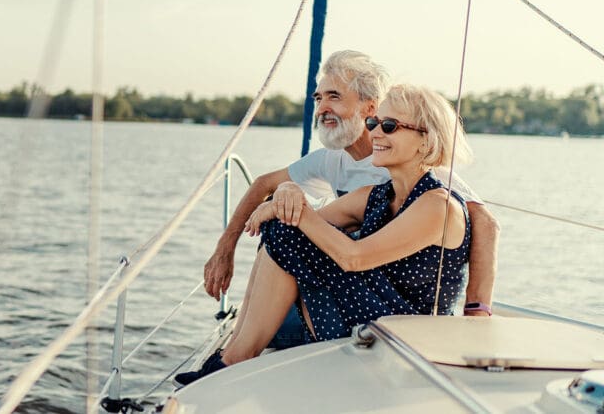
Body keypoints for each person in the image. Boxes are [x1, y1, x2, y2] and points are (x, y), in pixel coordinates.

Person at [177, 82, 473, 384]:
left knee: (289, 230)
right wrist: (287, 195)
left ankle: (235, 359)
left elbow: (354, 258)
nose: (375, 134)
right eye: (373, 123)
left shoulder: (438, 206)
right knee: (284, 231)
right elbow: (300, 226)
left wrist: (295, 208)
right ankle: (235, 353)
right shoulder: (377, 196)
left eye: (389, 125)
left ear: (426, 141)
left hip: (411, 336)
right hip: (375, 316)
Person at [202, 52, 498, 351]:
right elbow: (266, 185)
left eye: (334, 96)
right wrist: (226, 247)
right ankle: (234, 352)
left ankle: (237, 352)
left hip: (390, 303)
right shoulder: (337, 162)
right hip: (356, 288)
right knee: (280, 233)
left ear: (368, 105)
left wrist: (476, 313)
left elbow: (484, 223)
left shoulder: (425, 172)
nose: (321, 108)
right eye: (318, 99)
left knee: (273, 315)